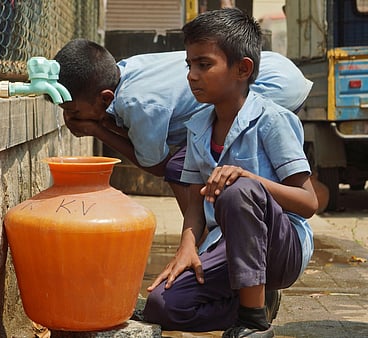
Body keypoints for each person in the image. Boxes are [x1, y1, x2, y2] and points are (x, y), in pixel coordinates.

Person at [142, 8, 318, 338]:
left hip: (281, 249)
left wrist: (251, 179)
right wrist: (186, 248)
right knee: (161, 305)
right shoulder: (197, 128)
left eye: (204, 64)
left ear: (242, 68)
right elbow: (195, 204)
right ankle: (256, 299)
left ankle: (253, 322)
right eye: (189, 65)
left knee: (239, 189)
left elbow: (308, 203)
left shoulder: (271, 120)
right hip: (231, 246)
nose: (192, 75)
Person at [54, 38, 312, 216]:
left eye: (74, 111)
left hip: (274, 87)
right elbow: (146, 134)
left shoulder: (138, 103)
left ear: (105, 98)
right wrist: (101, 122)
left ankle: (208, 244)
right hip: (278, 68)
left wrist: (97, 131)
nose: (71, 118)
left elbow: (156, 164)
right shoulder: (124, 71)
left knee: (183, 167)